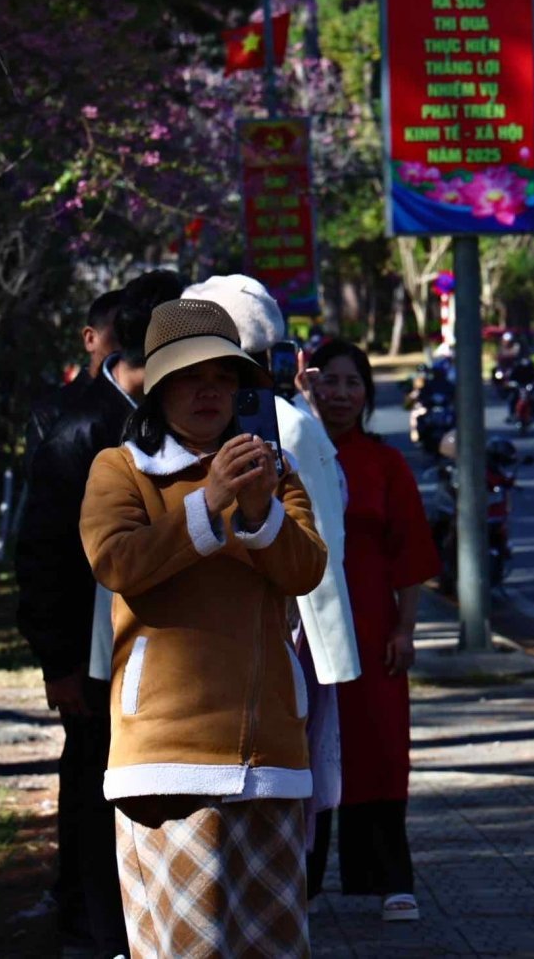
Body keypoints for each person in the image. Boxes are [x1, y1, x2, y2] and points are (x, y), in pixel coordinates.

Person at [80, 298, 327, 957]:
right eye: (191, 378)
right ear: (157, 391)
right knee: (187, 948)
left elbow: (306, 570)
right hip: (167, 760)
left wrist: (256, 511)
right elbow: (117, 562)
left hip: (271, 756)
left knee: (273, 947)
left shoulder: (274, 475)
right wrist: (209, 502)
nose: (209, 391)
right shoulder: (120, 469)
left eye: (225, 378)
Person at [14, 269, 180, 958]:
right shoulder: (81, 428)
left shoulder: (169, 417)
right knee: (93, 780)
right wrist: (58, 662)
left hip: (156, 649)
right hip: (92, 649)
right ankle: (89, 922)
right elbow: (43, 553)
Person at [182, 275, 363, 893]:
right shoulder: (290, 423)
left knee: (281, 789)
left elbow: (316, 546)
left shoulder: (286, 426)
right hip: (226, 638)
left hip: (283, 632)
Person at [307, 338, 442, 924]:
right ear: (309, 385)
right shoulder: (289, 451)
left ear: (367, 392)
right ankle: (299, 884)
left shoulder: (385, 464)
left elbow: (410, 552)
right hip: (303, 625)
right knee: (307, 752)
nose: (340, 394)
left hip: (370, 627)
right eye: (329, 381)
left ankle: (390, 880)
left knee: (380, 750)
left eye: (352, 382)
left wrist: (406, 628)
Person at [25, 289, 124, 461]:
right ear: (90, 339)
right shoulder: (51, 414)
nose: (128, 348)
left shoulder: (156, 407)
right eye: (121, 335)